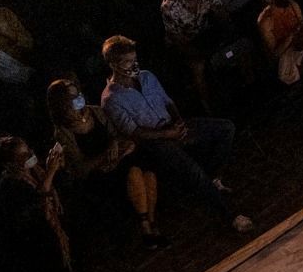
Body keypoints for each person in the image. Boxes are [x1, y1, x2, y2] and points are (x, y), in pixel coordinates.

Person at [99, 36, 254, 233]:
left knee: (226, 128)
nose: (133, 65)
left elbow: (168, 102)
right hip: (153, 142)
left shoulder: (146, 76)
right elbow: (135, 133)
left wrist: (179, 123)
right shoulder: (111, 98)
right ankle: (229, 215)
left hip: (171, 126)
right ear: (113, 64)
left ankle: (213, 177)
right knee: (193, 171)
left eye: (134, 59)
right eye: (127, 62)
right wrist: (167, 134)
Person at [47, 78, 164, 247]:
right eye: (73, 97)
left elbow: (116, 135)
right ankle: (146, 228)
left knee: (147, 172)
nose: (79, 98)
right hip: (99, 173)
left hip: (119, 160)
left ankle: (150, 223)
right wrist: (106, 156)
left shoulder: (95, 112)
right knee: (134, 173)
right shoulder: (63, 133)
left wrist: (118, 145)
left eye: (78, 93)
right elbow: (80, 167)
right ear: (63, 104)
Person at [0, 135, 73, 272]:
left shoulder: (34, 170)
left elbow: (50, 187)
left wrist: (58, 167)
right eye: (23, 155)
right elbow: (38, 197)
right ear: (11, 163)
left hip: (49, 216)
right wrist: (51, 171)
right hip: (35, 228)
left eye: (28, 150)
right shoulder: (11, 182)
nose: (29, 155)